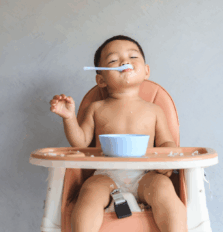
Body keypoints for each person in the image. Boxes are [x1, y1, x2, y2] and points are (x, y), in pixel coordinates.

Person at [49, 35, 187, 232]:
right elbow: (80, 142)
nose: (124, 62)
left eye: (133, 57)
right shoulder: (96, 108)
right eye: (113, 60)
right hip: (106, 175)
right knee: (89, 192)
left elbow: (166, 142)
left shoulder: (154, 110)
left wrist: (167, 161)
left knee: (164, 188)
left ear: (146, 71)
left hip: (146, 174)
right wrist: (69, 117)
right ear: (101, 80)